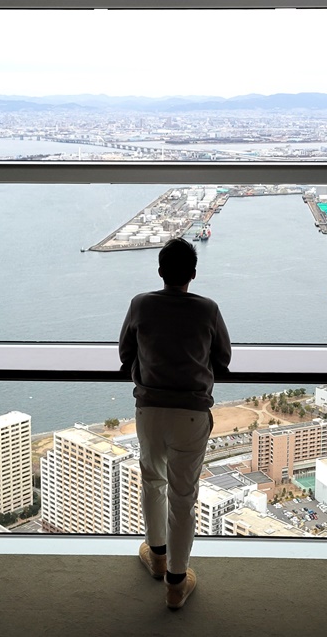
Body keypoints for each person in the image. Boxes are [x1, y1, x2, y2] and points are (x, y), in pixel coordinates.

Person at [119, 237, 232, 609]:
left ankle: (157, 558)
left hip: (150, 408)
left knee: (152, 481)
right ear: (193, 275)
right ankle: (176, 584)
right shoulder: (207, 309)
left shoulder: (141, 304)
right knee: (183, 498)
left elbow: (124, 353)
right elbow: (224, 358)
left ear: (160, 271)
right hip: (191, 412)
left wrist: (143, 369)